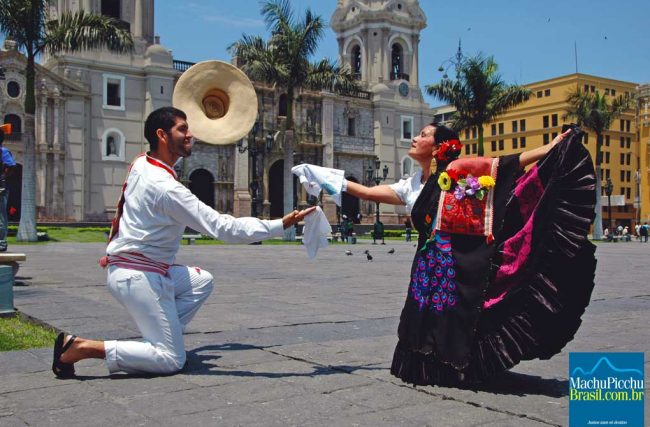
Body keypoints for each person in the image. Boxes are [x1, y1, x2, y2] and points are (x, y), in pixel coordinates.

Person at [302, 122, 596, 386]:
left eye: (424, 134)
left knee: (457, 316)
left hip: (457, 263)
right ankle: (429, 370)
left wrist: (551, 148)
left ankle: (461, 368)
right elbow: (366, 192)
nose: (415, 138)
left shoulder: (460, 171)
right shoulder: (412, 184)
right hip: (426, 267)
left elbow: (506, 164)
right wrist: (322, 176)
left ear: (439, 147)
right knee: (423, 315)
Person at [52, 107, 315, 378]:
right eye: (182, 129)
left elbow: (137, 193)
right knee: (170, 360)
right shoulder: (167, 189)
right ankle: (81, 347)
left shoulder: (142, 163)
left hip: (137, 269)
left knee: (202, 281)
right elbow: (224, 228)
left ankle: (161, 339)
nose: (191, 134)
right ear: (161, 135)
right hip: (139, 276)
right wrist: (280, 224)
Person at [0, 126, 16, 253]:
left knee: (1, 215)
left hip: (1, 188)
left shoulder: (3, 151)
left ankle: (1, 242)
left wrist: (2, 177)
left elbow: (11, 167)